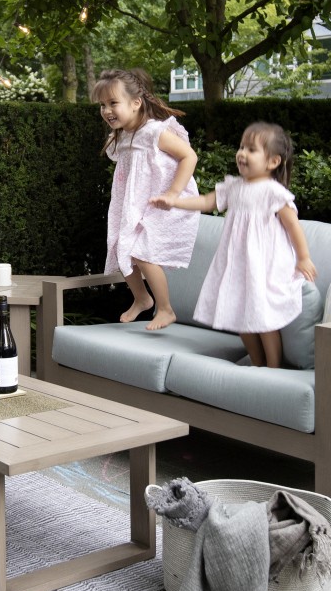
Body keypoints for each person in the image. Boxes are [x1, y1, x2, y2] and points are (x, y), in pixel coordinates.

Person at [150, 122, 316, 367]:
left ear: (273, 162)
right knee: (240, 315)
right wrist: (174, 201)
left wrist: (303, 258)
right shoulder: (234, 186)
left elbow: (293, 226)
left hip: (262, 263)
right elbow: (207, 201)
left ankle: (273, 365)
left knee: (262, 316)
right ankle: (257, 364)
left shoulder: (273, 192)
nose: (242, 153)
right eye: (241, 147)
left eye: (251, 149)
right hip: (236, 262)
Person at [91, 68, 200, 330]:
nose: (107, 110)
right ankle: (142, 298)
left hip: (164, 203)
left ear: (136, 103)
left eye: (113, 103)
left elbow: (190, 157)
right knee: (121, 245)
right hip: (134, 204)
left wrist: (173, 193)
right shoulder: (122, 137)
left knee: (142, 251)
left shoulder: (155, 132)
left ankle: (165, 309)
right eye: (103, 105)